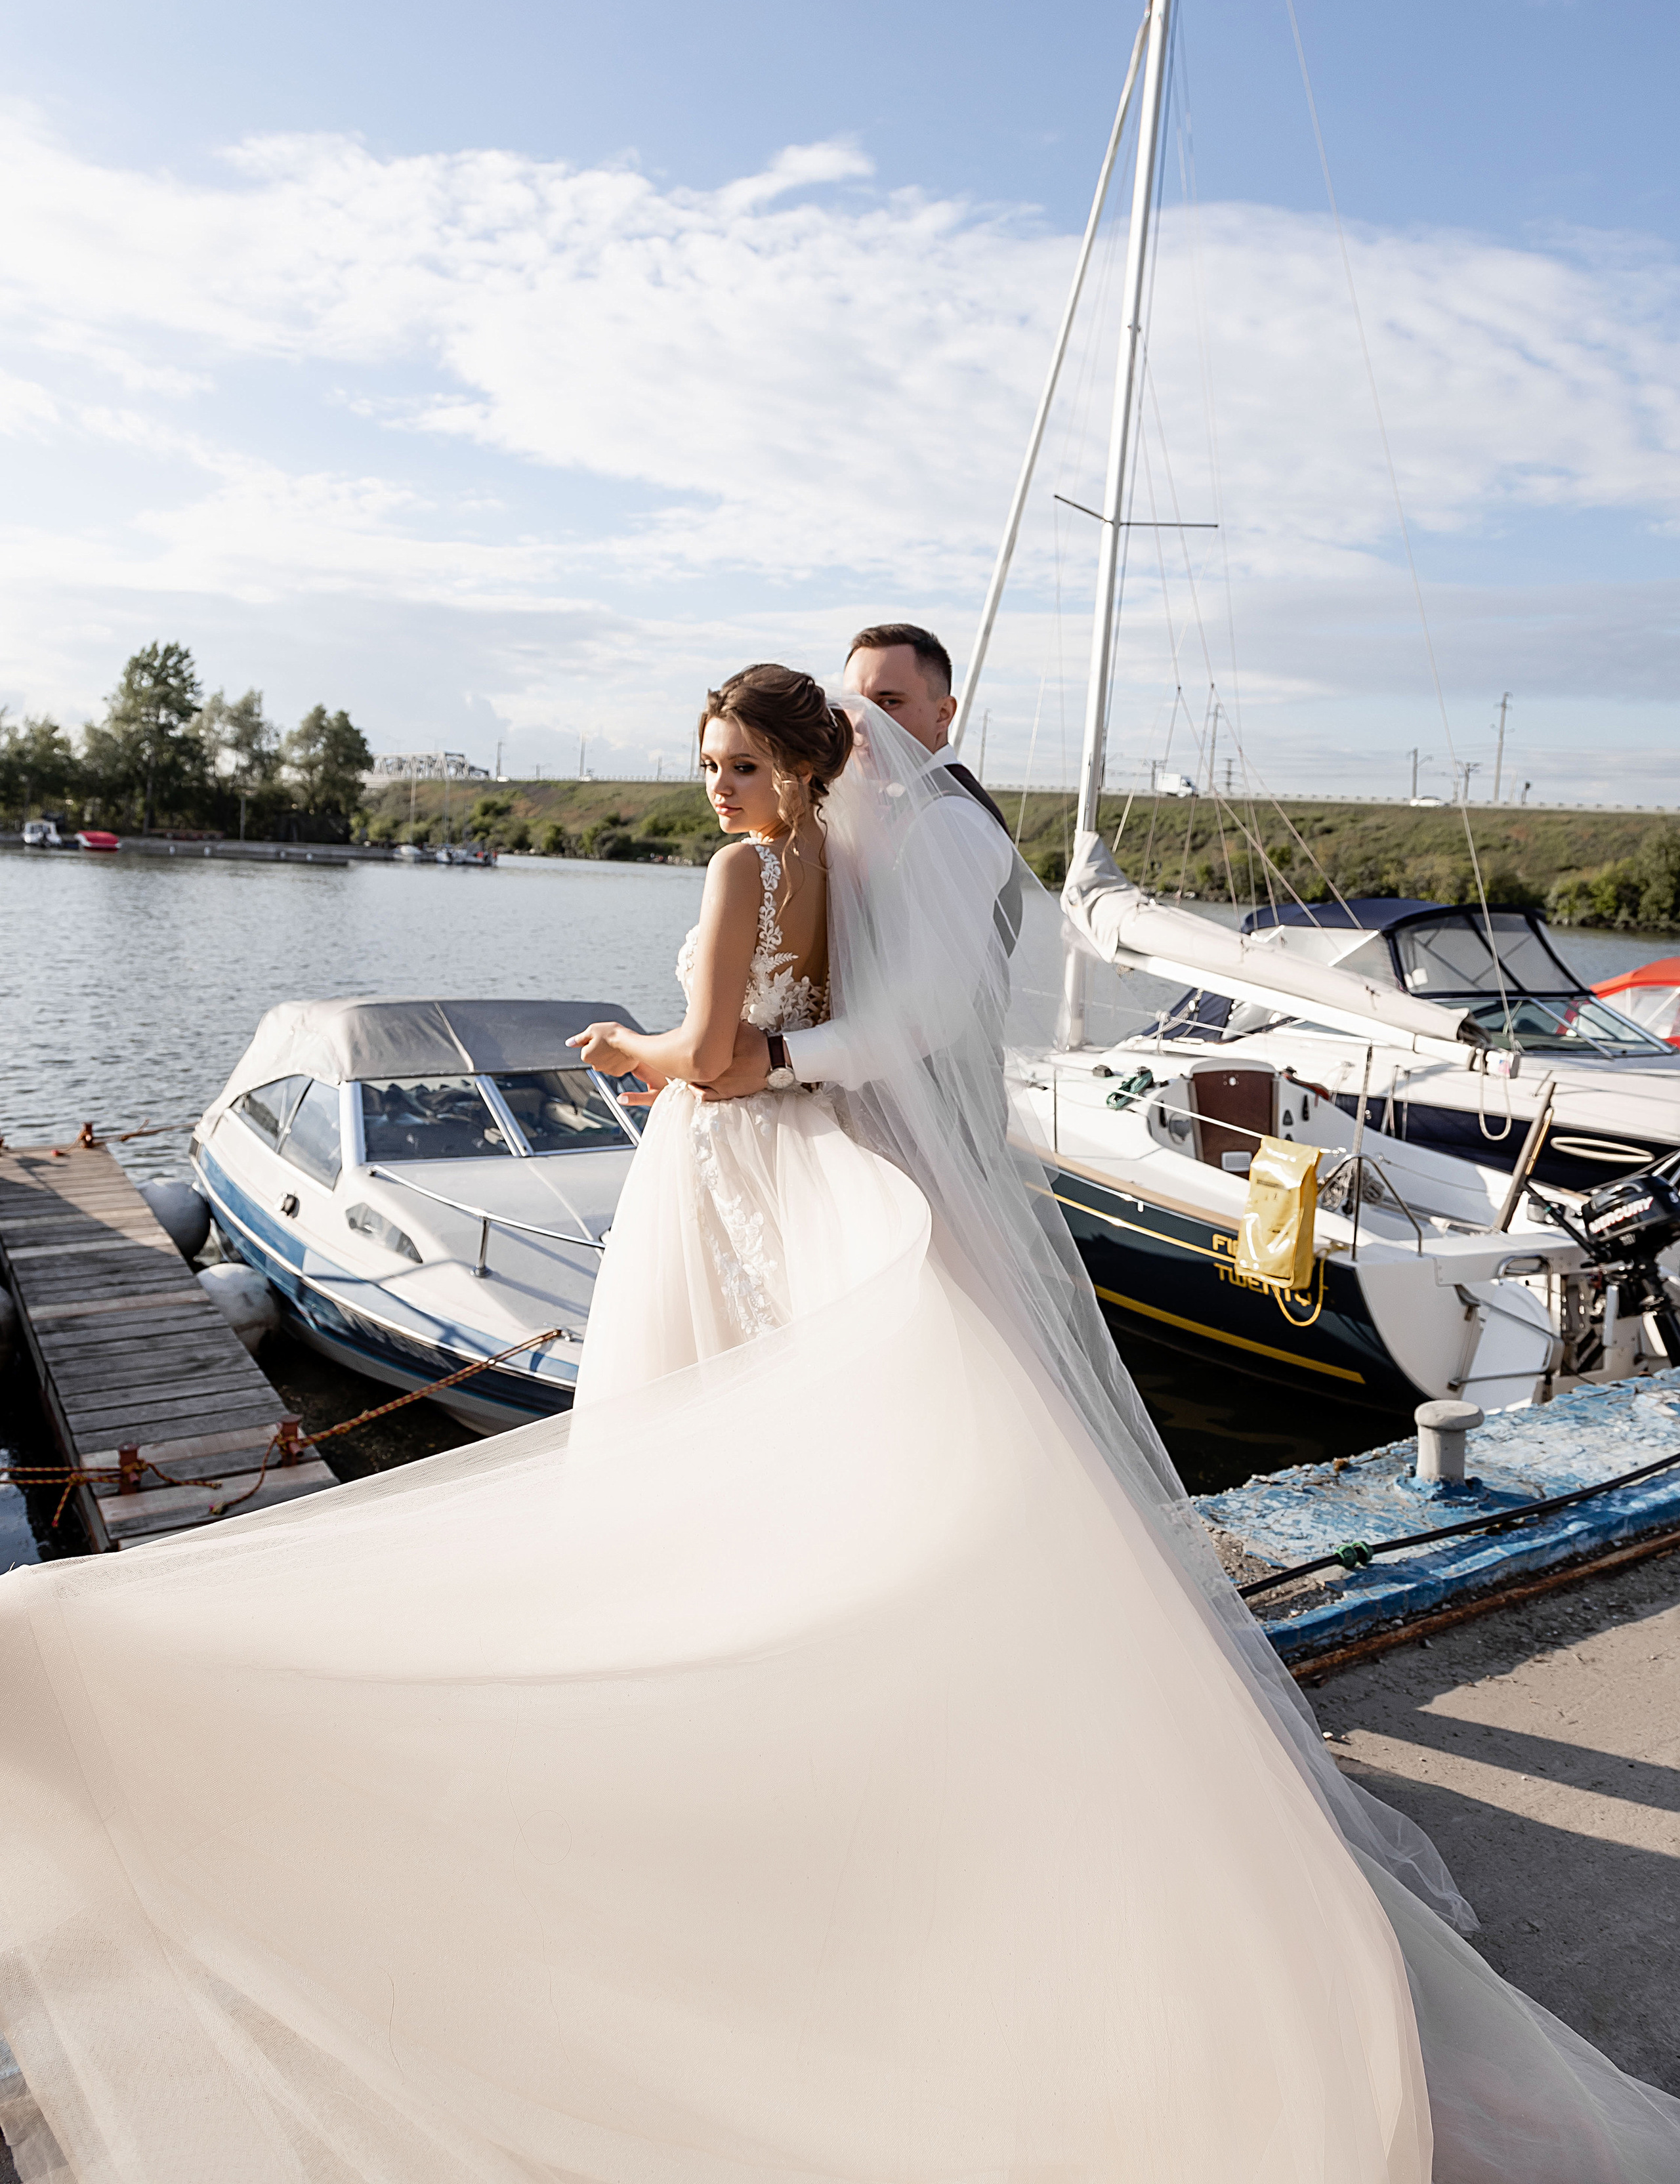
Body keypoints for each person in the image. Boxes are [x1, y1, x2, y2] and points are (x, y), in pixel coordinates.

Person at [0, 662, 1675, 2183]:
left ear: (800, 769)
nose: (714, 788)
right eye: (705, 764)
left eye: (735, 763)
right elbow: (819, 1037)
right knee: (775, 1482)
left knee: (670, 1486)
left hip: (718, 1166)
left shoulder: (745, 870)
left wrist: (621, 1047)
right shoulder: (833, 863)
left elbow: (722, 1057)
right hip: (800, 1175)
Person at [698, 623, 1017, 1104]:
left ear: (944, 713)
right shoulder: (872, 808)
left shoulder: (950, 821)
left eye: (889, 702)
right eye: (852, 703)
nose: (862, 724)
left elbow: (929, 1015)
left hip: (936, 1121)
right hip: (842, 1111)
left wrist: (776, 1059)